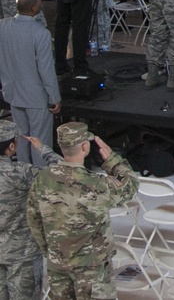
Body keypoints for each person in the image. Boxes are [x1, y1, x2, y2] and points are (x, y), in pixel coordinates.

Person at [27, 122, 139, 300]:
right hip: (92, 268)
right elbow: (131, 184)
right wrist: (113, 160)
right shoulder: (96, 185)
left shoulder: (42, 179)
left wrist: (50, 251)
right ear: (85, 147)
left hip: (58, 263)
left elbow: (33, 219)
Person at [0, 118, 60, 300]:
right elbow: (64, 174)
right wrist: (43, 149)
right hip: (22, 252)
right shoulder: (20, 172)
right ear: (12, 146)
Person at [0, 0, 60, 166]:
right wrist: (54, 97)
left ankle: (24, 174)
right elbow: (46, 70)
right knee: (39, 141)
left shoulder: (2, 27)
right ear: (34, 7)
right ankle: (39, 179)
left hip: (11, 93)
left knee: (21, 138)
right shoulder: (41, 33)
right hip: (36, 97)